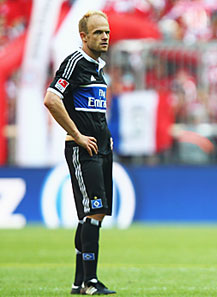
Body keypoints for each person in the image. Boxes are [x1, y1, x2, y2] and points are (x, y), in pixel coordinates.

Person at [44, 10, 116, 295]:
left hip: (101, 149)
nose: (105, 36)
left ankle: (78, 282)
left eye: (107, 32)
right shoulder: (74, 63)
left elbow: (96, 111)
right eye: (98, 32)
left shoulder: (98, 68)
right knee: (94, 211)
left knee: (91, 215)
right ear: (83, 36)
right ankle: (90, 281)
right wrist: (77, 135)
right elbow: (51, 99)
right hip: (82, 149)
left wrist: (106, 137)